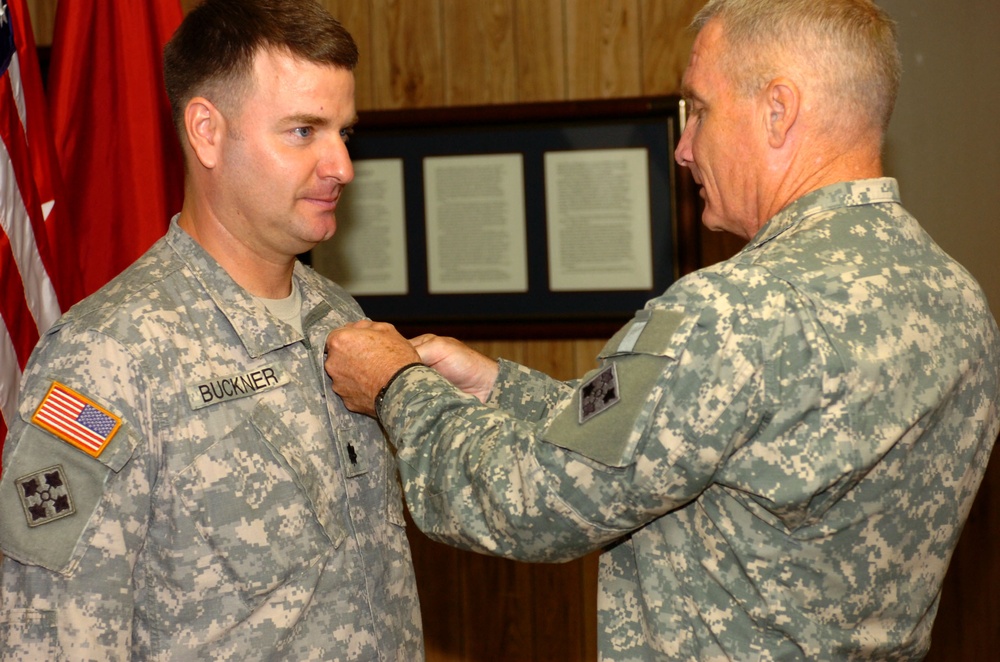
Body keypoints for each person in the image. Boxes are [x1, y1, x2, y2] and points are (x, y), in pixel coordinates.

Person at [324, 0, 1000, 659]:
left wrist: (397, 386)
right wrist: (499, 387)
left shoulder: (735, 309)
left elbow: (527, 499)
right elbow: (682, 439)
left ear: (778, 110)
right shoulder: (959, 300)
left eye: (699, 109)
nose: (683, 147)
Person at [0, 0, 422, 659]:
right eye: (305, 131)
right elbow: (51, 636)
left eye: (345, 131)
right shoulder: (107, 356)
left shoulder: (343, 320)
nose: (341, 164)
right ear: (206, 132)